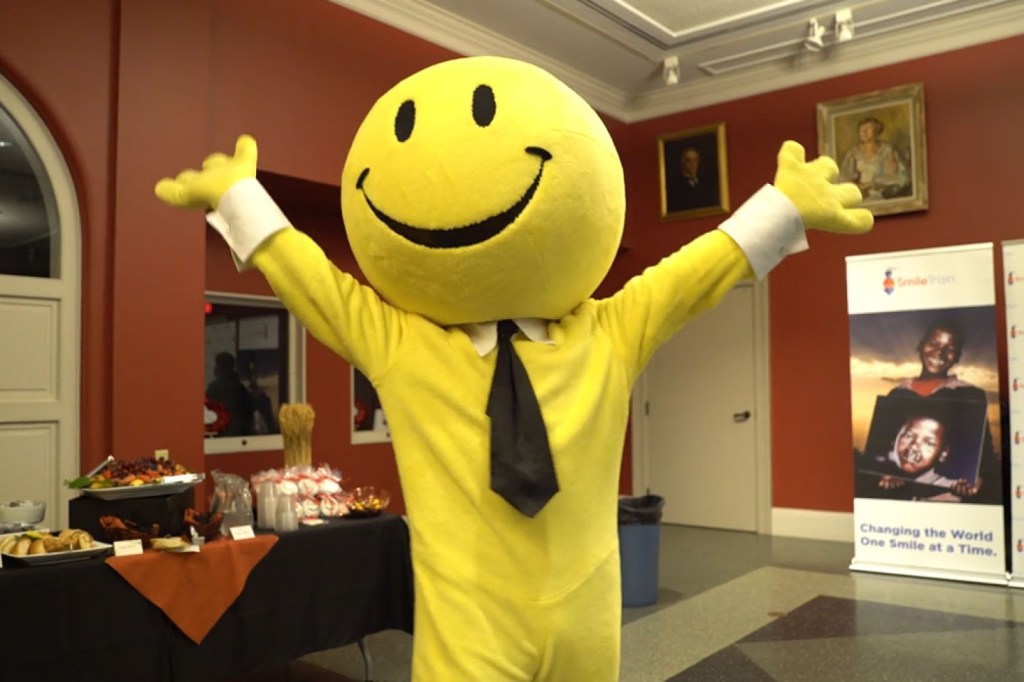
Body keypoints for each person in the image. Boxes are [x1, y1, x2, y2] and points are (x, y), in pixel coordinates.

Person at [156, 57, 871, 681]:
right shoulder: (403, 345)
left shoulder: (610, 331)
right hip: (467, 627)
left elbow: (691, 274)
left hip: (588, 620)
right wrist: (241, 197)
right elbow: (318, 285)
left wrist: (783, 207)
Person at [884, 319, 1000, 503]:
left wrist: (978, 480)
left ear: (957, 357)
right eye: (934, 343)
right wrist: (885, 476)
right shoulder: (897, 395)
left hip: (945, 499)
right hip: (900, 503)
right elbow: (882, 447)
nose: (940, 352)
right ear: (921, 346)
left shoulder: (969, 395)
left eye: (950, 348)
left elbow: (983, 454)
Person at [838, 116, 909, 200]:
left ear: (876, 131)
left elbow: (898, 177)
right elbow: (845, 177)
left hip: (883, 193)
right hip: (860, 194)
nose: (864, 132)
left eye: (868, 129)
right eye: (861, 130)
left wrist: (874, 184)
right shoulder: (853, 153)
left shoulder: (887, 151)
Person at [205, 352, 252, 436]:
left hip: (222, 434)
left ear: (219, 367)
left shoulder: (214, 387)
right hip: (240, 434)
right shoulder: (240, 387)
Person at [670, 146, 717, 211]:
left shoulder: (705, 183)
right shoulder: (676, 187)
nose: (693, 164)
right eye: (689, 161)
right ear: (682, 162)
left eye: (695, 160)